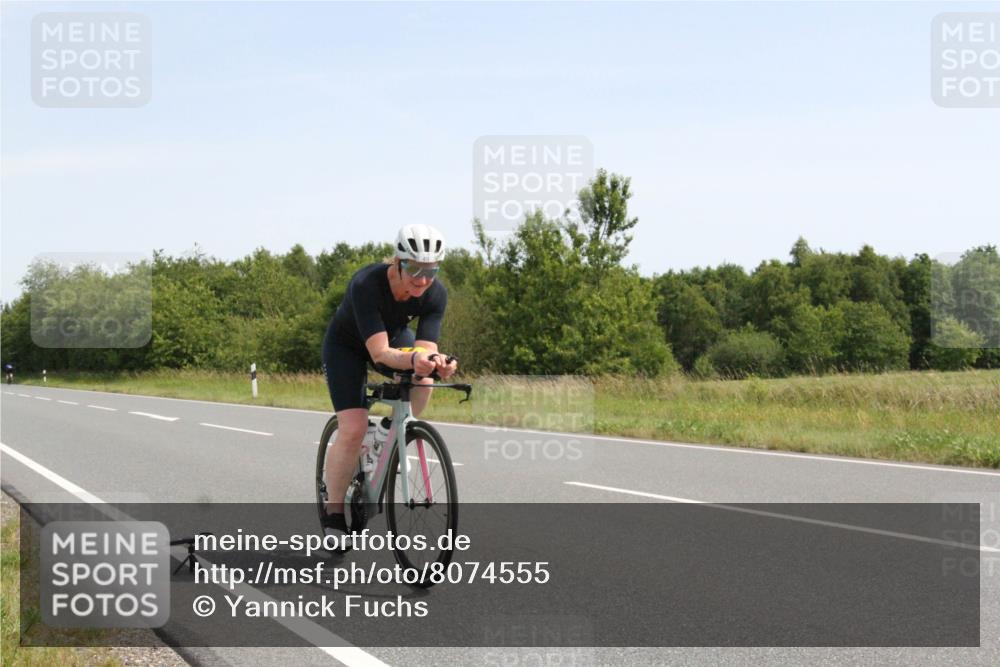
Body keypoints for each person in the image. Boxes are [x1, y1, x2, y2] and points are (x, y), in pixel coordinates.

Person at [320, 224, 458, 538]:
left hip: (393, 338)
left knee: (422, 380)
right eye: (414, 269)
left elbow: (425, 348)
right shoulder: (367, 283)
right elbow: (380, 353)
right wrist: (413, 360)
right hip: (347, 347)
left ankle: (388, 430)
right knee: (353, 428)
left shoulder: (436, 293)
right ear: (397, 262)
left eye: (431, 271)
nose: (422, 279)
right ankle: (334, 512)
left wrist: (437, 363)